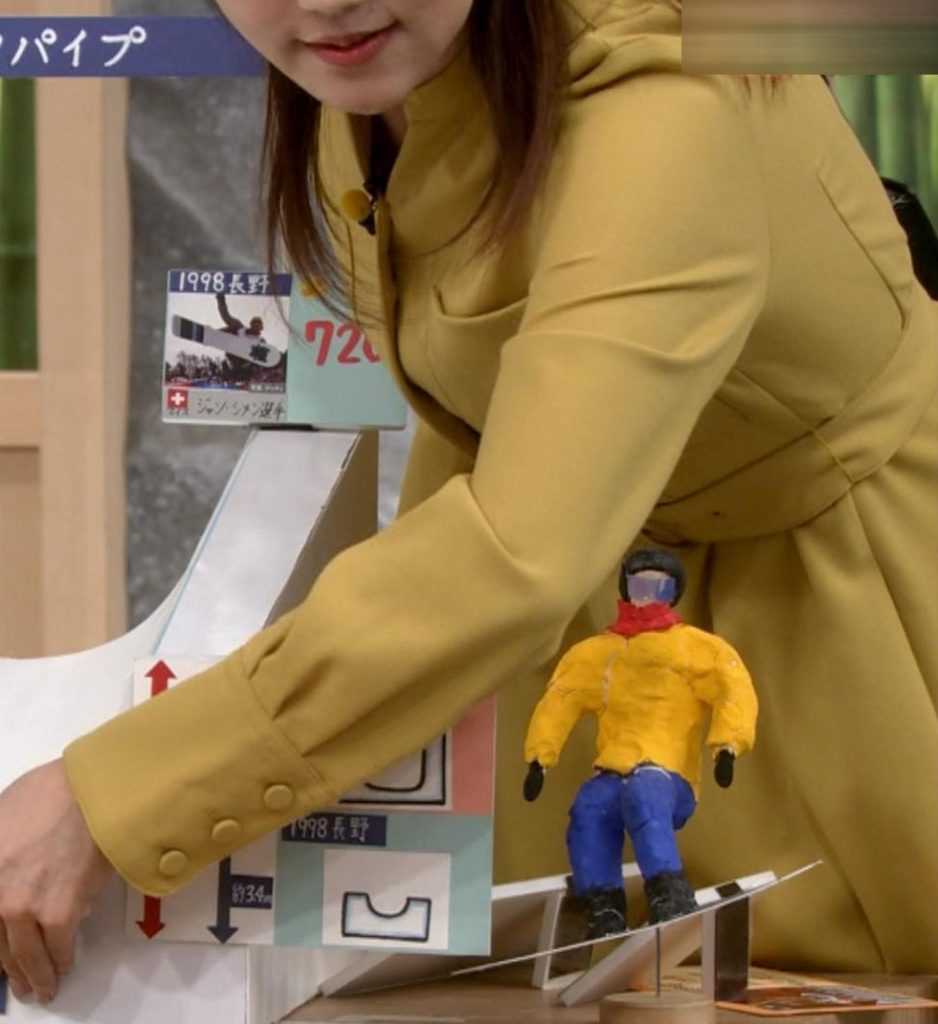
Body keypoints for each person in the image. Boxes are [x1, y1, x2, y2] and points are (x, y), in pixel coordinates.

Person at [1, 0, 937, 1005]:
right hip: (557, 659)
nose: (325, 1)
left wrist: (118, 792)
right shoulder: (387, 73)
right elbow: (486, 448)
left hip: (830, 652)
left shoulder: (665, 105)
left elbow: (513, 551)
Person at [522, 549, 758, 937]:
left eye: (659, 587)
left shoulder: (696, 648)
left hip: (668, 773)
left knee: (644, 794)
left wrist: (728, 745)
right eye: (639, 585)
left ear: (673, 593)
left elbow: (733, 689)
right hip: (614, 769)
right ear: (624, 588)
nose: (648, 595)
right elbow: (561, 699)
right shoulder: (598, 653)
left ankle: (670, 895)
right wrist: (539, 757)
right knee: (590, 807)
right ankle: (602, 905)